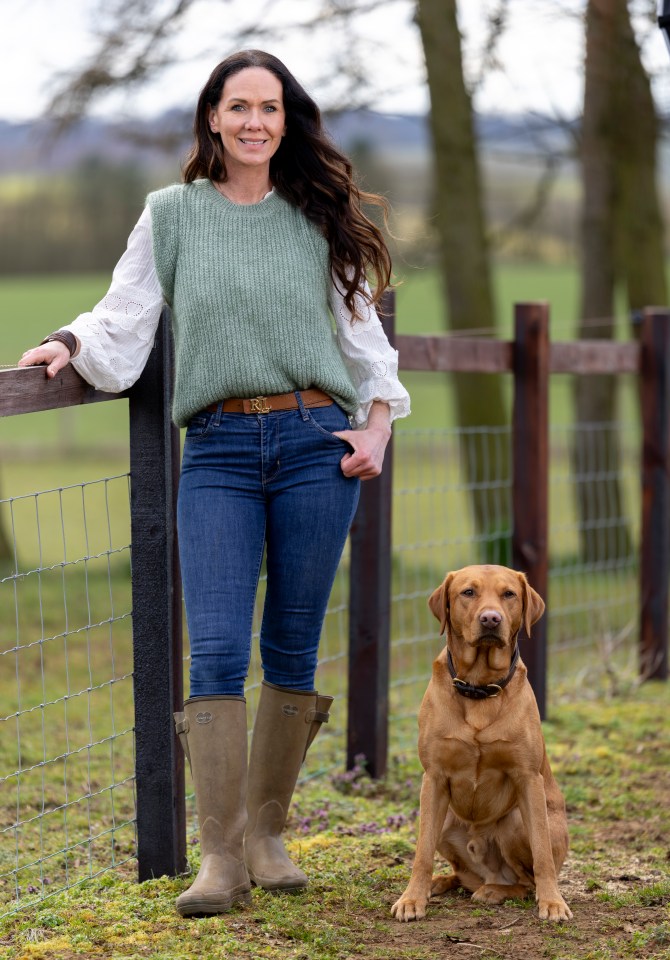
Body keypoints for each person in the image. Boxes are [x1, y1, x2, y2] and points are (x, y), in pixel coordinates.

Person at [19, 49, 410, 917]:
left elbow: (363, 341)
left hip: (317, 444)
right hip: (220, 451)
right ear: (211, 117)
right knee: (220, 648)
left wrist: (377, 426)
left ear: (287, 119)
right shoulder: (172, 216)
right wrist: (68, 346)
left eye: (270, 108)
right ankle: (220, 857)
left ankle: (268, 834)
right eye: (239, 106)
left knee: (293, 644)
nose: (255, 122)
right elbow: (123, 314)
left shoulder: (320, 215)